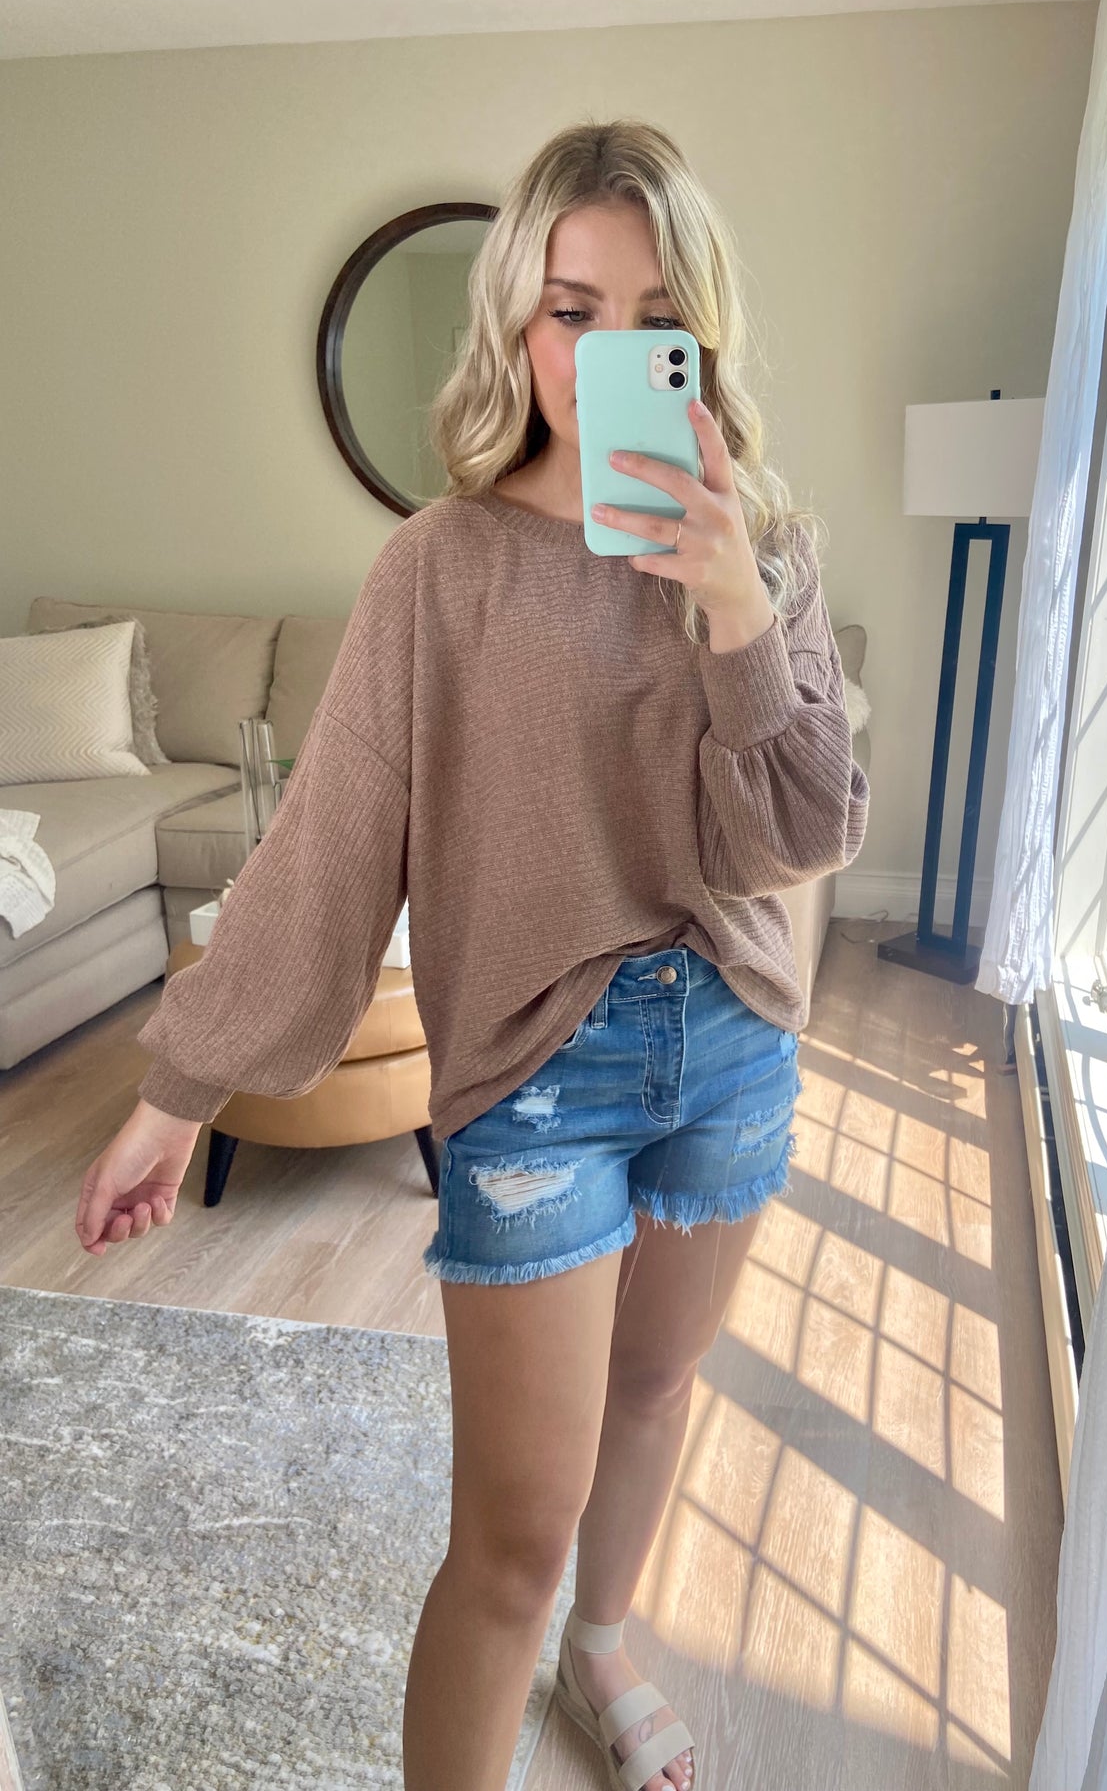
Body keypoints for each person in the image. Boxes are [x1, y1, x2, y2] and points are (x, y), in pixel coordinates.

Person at [74, 118, 869, 1791]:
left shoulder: (767, 550)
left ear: (699, 337)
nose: (606, 350)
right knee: (508, 1543)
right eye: (572, 309)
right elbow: (329, 849)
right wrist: (178, 1091)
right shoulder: (437, 570)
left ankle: (608, 1645)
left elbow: (799, 836)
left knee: (654, 1392)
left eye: (652, 316)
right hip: (534, 1075)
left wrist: (733, 610)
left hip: (732, 1036)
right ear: (517, 317)